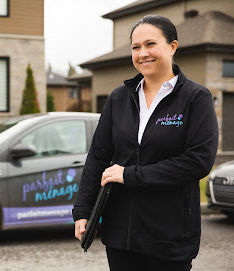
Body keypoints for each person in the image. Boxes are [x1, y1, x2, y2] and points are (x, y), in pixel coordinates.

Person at [72, 15, 219, 271]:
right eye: (136, 47)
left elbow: (197, 162)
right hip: (121, 235)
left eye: (151, 44)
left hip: (169, 236)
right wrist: (82, 210)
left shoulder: (196, 98)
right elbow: (97, 156)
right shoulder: (119, 97)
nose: (143, 53)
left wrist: (130, 175)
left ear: (172, 46)